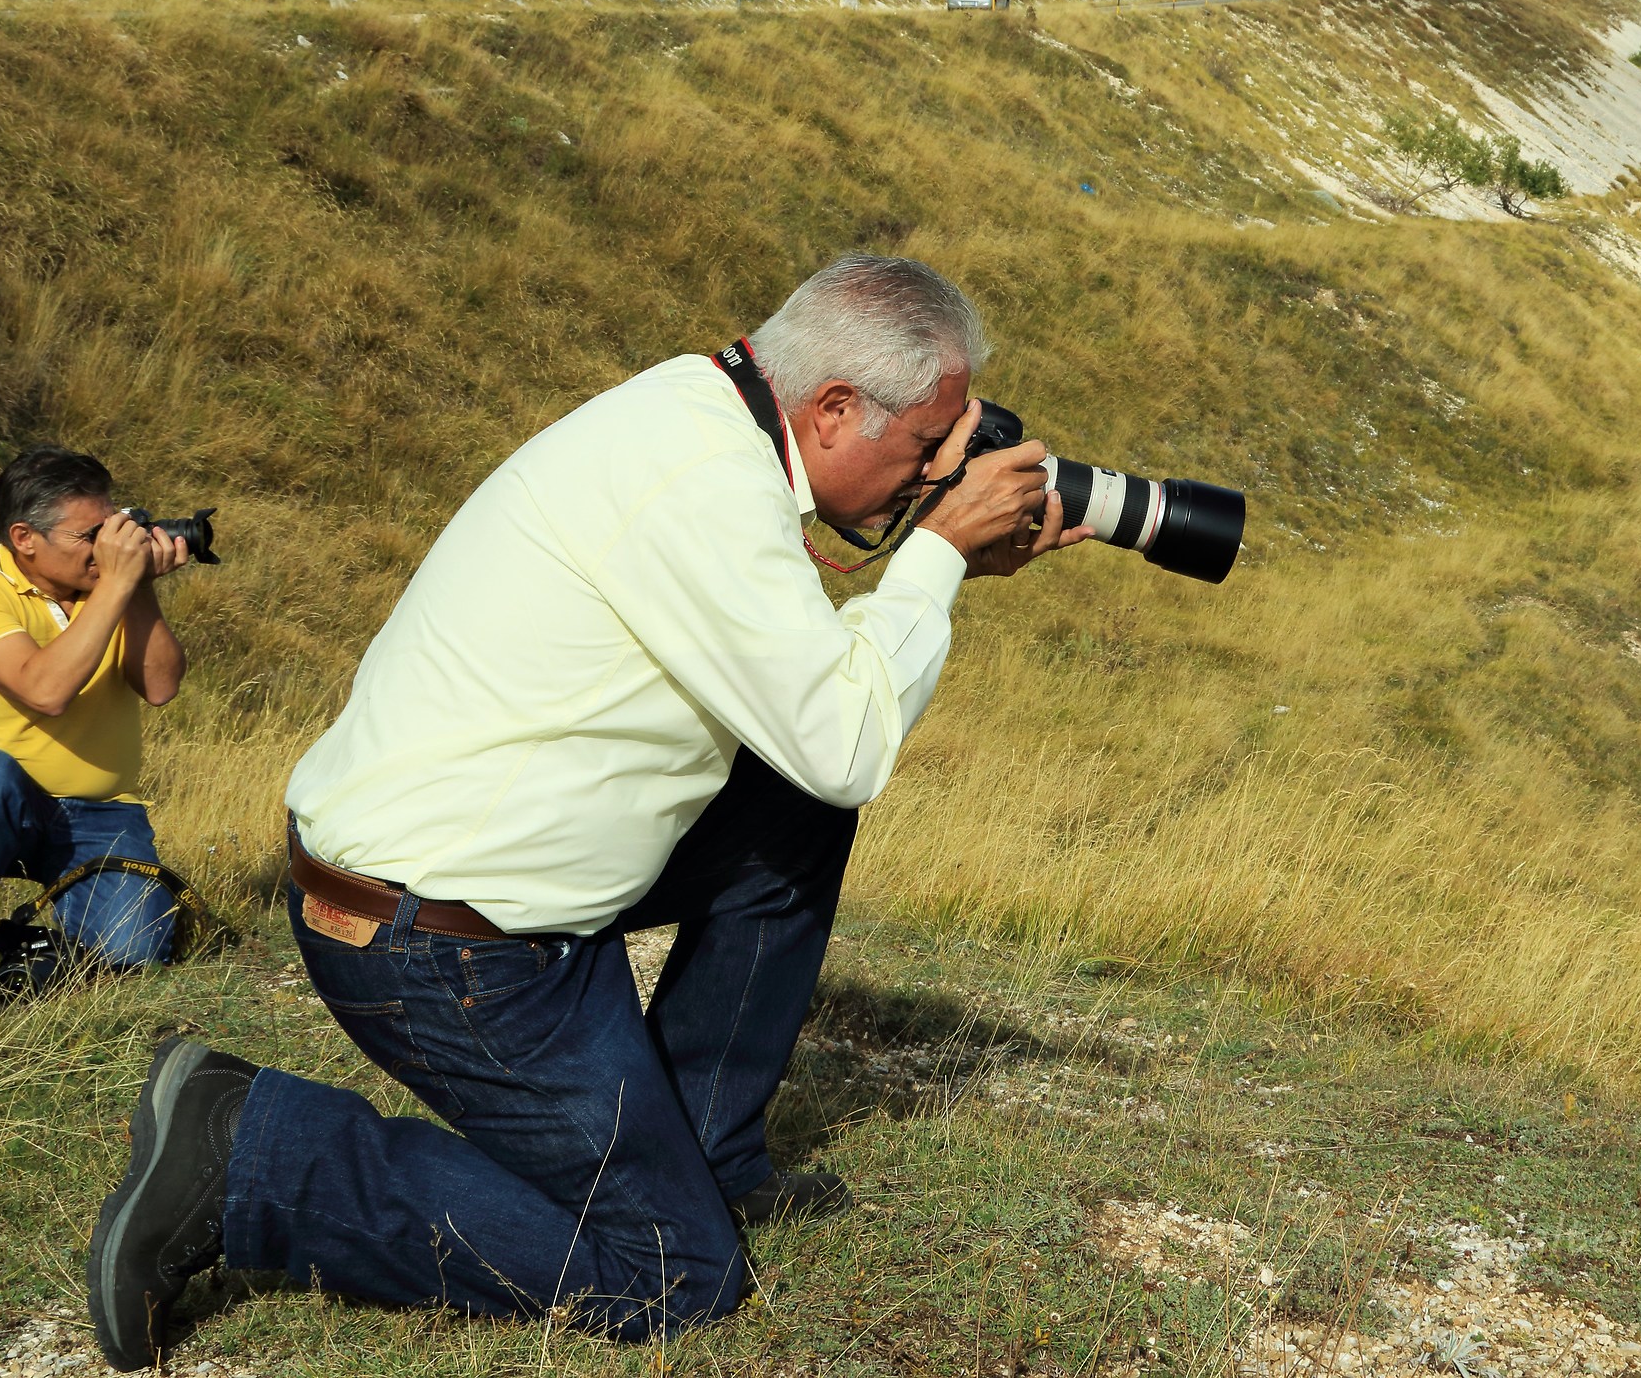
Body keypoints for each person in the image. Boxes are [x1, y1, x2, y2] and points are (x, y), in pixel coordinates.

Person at [86, 255, 1091, 1369]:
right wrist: (935, 554)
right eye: (929, 447)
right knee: (675, 1274)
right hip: (438, 942)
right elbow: (846, 742)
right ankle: (254, 1154)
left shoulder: (699, 413)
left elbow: (812, 708)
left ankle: (705, 1156)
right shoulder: (702, 482)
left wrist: (939, 561)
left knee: (794, 811)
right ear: (835, 408)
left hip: (476, 880)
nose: (938, 475)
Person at [0, 446, 191, 978]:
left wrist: (137, 588)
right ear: (24, 538)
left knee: (130, 960)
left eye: (111, 527)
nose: (106, 548)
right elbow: (45, 691)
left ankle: (19, 951)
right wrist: (117, 584)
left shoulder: (109, 586)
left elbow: (160, 687)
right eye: (89, 536)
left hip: (101, 809)